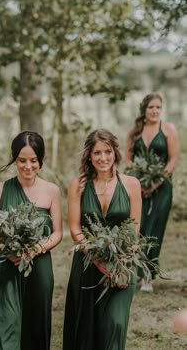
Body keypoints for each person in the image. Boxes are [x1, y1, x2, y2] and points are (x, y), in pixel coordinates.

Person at [0, 130, 63, 350]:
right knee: (6, 325)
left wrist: (36, 248)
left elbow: (57, 233)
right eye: (22, 160)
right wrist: (7, 249)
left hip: (39, 268)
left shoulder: (52, 191)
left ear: (41, 159)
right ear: (14, 159)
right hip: (6, 268)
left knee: (36, 328)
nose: (28, 166)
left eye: (33, 160)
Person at [63, 129, 142, 350]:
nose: (103, 158)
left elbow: (135, 229)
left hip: (122, 265)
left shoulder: (132, 184)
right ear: (89, 155)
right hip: (88, 264)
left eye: (107, 151)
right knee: (87, 331)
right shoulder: (77, 185)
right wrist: (97, 259)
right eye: (97, 153)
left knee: (114, 324)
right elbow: (75, 230)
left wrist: (122, 264)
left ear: (115, 152)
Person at [125, 93, 179, 292]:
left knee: (155, 231)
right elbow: (128, 159)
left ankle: (148, 275)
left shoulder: (168, 130)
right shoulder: (135, 131)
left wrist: (156, 181)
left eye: (158, 107)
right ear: (144, 110)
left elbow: (173, 160)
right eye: (151, 107)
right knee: (140, 229)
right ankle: (136, 274)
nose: (155, 111)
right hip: (139, 187)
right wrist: (139, 178)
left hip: (162, 188)